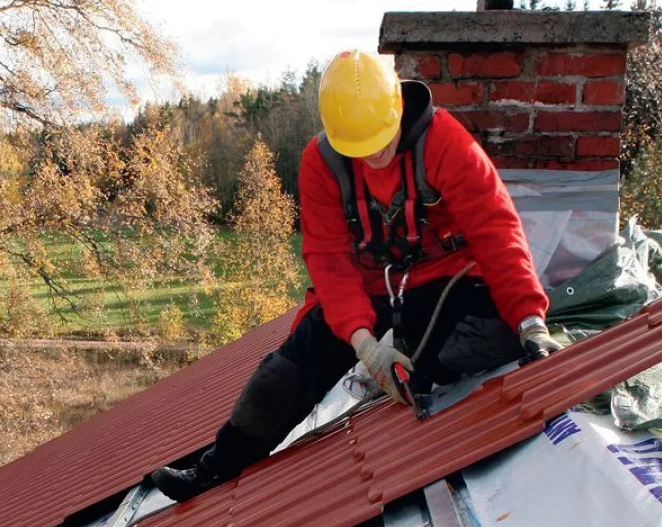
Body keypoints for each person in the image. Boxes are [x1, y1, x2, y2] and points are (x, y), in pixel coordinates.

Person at [150, 50, 563, 502]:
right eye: (359, 149)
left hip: (448, 282)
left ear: (397, 111)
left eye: (381, 143)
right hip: (370, 288)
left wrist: (530, 322)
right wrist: (363, 342)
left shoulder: (444, 142)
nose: (372, 155)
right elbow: (328, 258)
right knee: (289, 369)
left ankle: (427, 372)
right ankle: (216, 468)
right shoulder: (322, 163)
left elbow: (496, 232)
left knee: (483, 339)